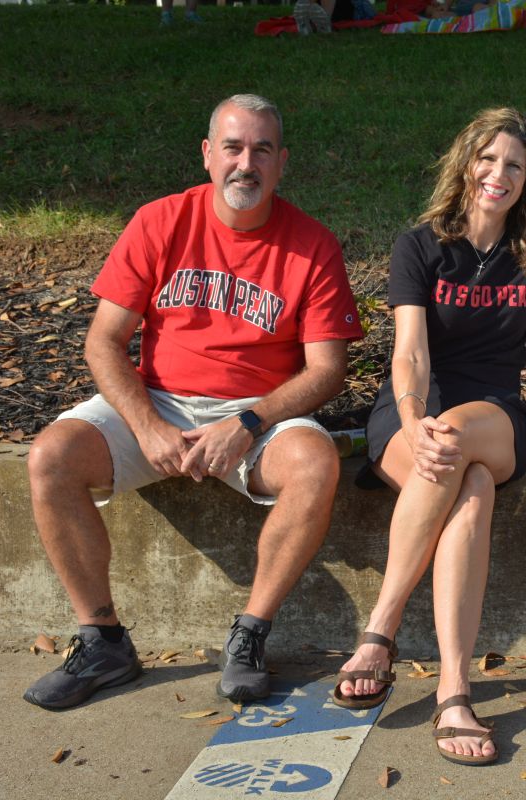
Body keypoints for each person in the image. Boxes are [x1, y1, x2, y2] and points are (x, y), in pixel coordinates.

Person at [23, 94, 363, 709]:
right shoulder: (160, 221)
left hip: (256, 415)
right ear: (208, 154)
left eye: (262, 150)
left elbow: (327, 371)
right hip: (157, 401)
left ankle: (250, 635)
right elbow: (103, 342)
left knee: (316, 465)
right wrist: (146, 424)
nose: (246, 163)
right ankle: (102, 640)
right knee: (51, 457)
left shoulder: (312, 245)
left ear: (281, 162)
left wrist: (248, 421)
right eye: (233, 147)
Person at [332, 108, 526, 766]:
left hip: (494, 413)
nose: (499, 174)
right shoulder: (420, 246)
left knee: (459, 444)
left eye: (515, 165)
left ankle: (379, 633)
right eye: (488, 159)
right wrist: (412, 421)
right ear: (466, 164)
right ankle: (454, 691)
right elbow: (411, 352)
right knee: (470, 488)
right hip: (414, 410)